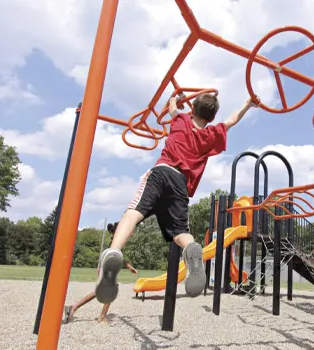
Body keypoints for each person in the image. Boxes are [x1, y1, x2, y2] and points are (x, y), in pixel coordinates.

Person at [94, 93, 258, 304]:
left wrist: (177, 98)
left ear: (193, 110)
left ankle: (114, 251)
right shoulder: (211, 134)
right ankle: (191, 249)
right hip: (180, 183)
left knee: (133, 213)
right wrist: (247, 104)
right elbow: (231, 121)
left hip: (161, 172)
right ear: (210, 117)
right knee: (180, 232)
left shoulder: (180, 120)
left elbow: (171, 105)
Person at [63, 259, 138, 324]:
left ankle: (74, 307)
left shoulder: (116, 251)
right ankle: (102, 317)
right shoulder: (114, 248)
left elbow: (121, 259)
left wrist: (129, 267)